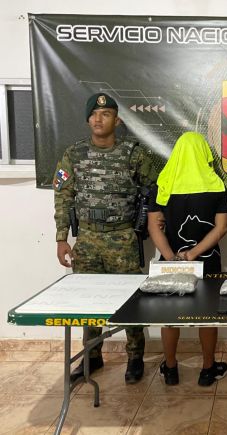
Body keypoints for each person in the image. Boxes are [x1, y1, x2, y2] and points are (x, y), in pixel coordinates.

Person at [53, 93, 158, 384]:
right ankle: (92, 356)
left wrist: (148, 224)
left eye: (106, 114)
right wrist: (61, 238)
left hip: (122, 238)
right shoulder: (73, 154)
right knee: (88, 302)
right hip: (87, 239)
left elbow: (154, 190)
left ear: (117, 120)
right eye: (94, 114)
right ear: (88, 120)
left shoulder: (133, 154)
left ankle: (135, 357)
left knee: (131, 301)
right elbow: (63, 196)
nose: (99, 119)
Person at [147, 131, 227, 387]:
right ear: (204, 154)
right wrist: (193, 255)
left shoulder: (163, 184)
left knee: (170, 316)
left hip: (170, 262)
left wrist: (172, 258)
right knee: (207, 315)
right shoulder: (216, 186)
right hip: (208, 261)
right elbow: (221, 228)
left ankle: (171, 368)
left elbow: (154, 227)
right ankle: (208, 369)